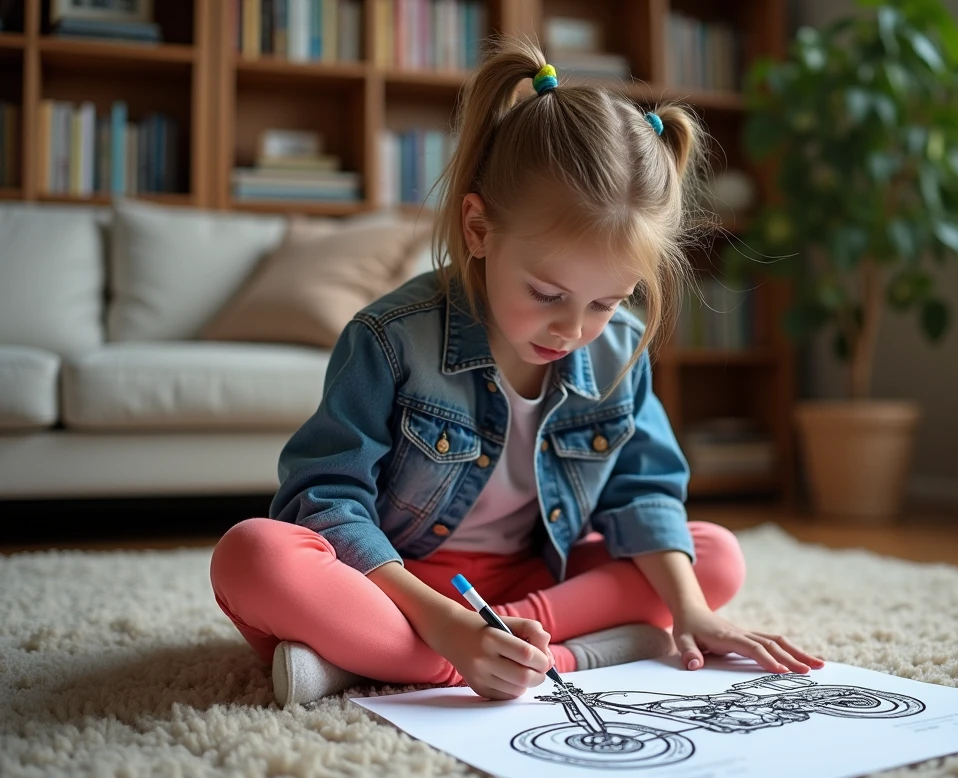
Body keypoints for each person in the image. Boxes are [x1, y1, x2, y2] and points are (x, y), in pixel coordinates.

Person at [209, 36, 824, 707]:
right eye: (548, 294)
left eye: (607, 302)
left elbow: (644, 493)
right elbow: (326, 503)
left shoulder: (617, 350)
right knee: (254, 555)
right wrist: (446, 624)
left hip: (537, 583)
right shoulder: (389, 341)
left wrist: (693, 615)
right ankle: (502, 657)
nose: (574, 328)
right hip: (398, 586)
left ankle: (424, 659)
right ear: (478, 228)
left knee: (711, 557)